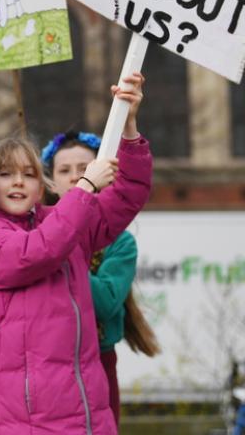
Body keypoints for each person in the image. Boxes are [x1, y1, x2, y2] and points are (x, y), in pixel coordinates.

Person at [0, 72, 152, 434]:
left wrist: (129, 128)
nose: (18, 181)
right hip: (29, 423)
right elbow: (38, 252)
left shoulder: (62, 218)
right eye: (5, 174)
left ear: (41, 186)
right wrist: (85, 186)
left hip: (88, 415)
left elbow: (128, 195)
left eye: (28, 174)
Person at [42, 127, 160, 426]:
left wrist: (61, 255)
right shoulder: (38, 231)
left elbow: (107, 301)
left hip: (98, 360)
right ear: (51, 182)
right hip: (46, 362)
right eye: (64, 170)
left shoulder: (119, 241)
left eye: (85, 169)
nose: (74, 176)